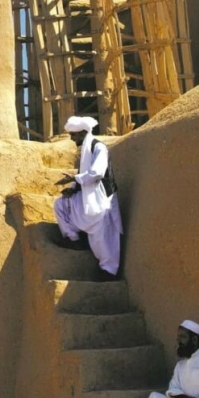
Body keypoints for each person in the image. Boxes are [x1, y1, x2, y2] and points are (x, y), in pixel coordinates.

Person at [54, 115, 123, 277]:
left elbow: (97, 173)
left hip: (102, 199)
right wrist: (73, 188)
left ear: (83, 133)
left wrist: (74, 178)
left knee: (103, 237)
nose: (72, 138)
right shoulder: (85, 150)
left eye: (74, 135)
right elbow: (84, 176)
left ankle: (109, 270)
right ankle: (74, 240)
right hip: (87, 198)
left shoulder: (98, 147)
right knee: (61, 204)